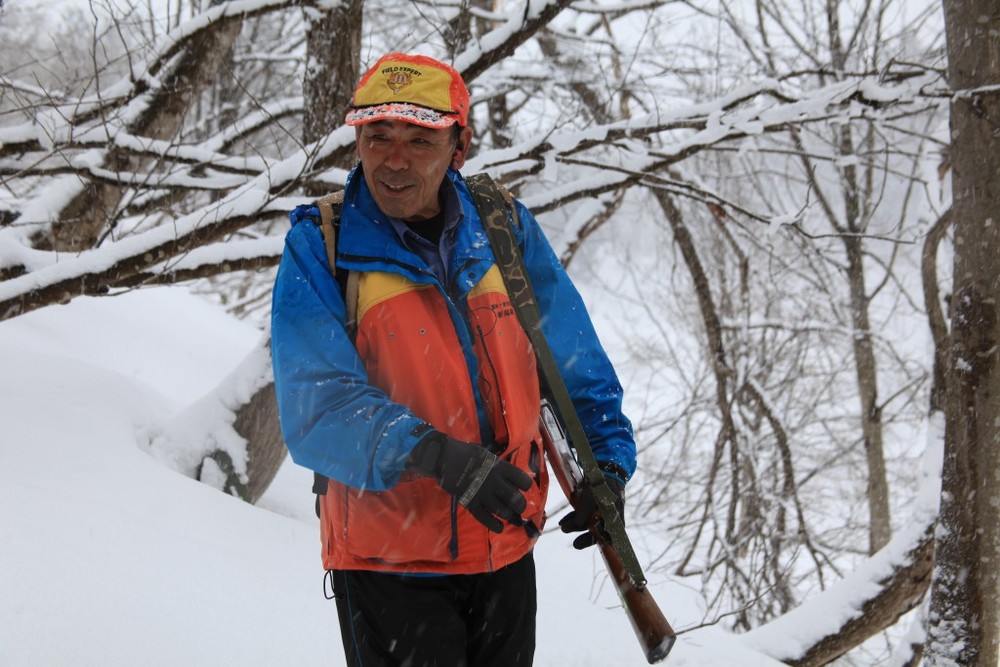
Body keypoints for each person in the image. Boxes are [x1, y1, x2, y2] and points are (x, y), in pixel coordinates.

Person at [270, 52, 637, 667]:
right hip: (388, 563)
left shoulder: (502, 229)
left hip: (506, 551)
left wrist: (606, 467)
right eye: (377, 135)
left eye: (420, 140)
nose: (393, 159)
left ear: (458, 147)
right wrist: (436, 456)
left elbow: (572, 363)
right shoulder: (322, 244)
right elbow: (316, 405)